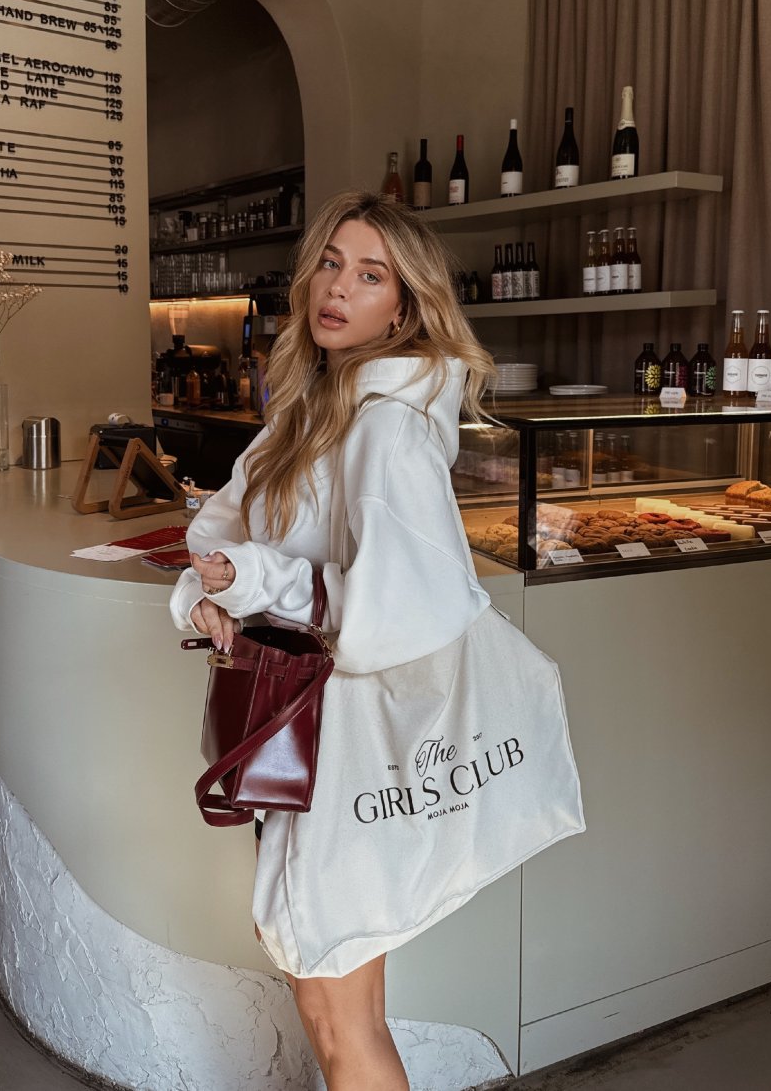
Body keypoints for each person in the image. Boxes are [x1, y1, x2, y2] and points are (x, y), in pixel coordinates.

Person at [170, 191, 583, 1090]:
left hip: (348, 738)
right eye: (330, 263)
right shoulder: (309, 408)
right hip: (303, 730)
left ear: (403, 307)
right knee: (328, 996)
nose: (338, 288)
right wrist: (207, 593)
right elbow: (220, 531)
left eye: (369, 275)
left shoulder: (388, 423)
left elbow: (408, 602)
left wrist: (258, 580)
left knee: (338, 1013)